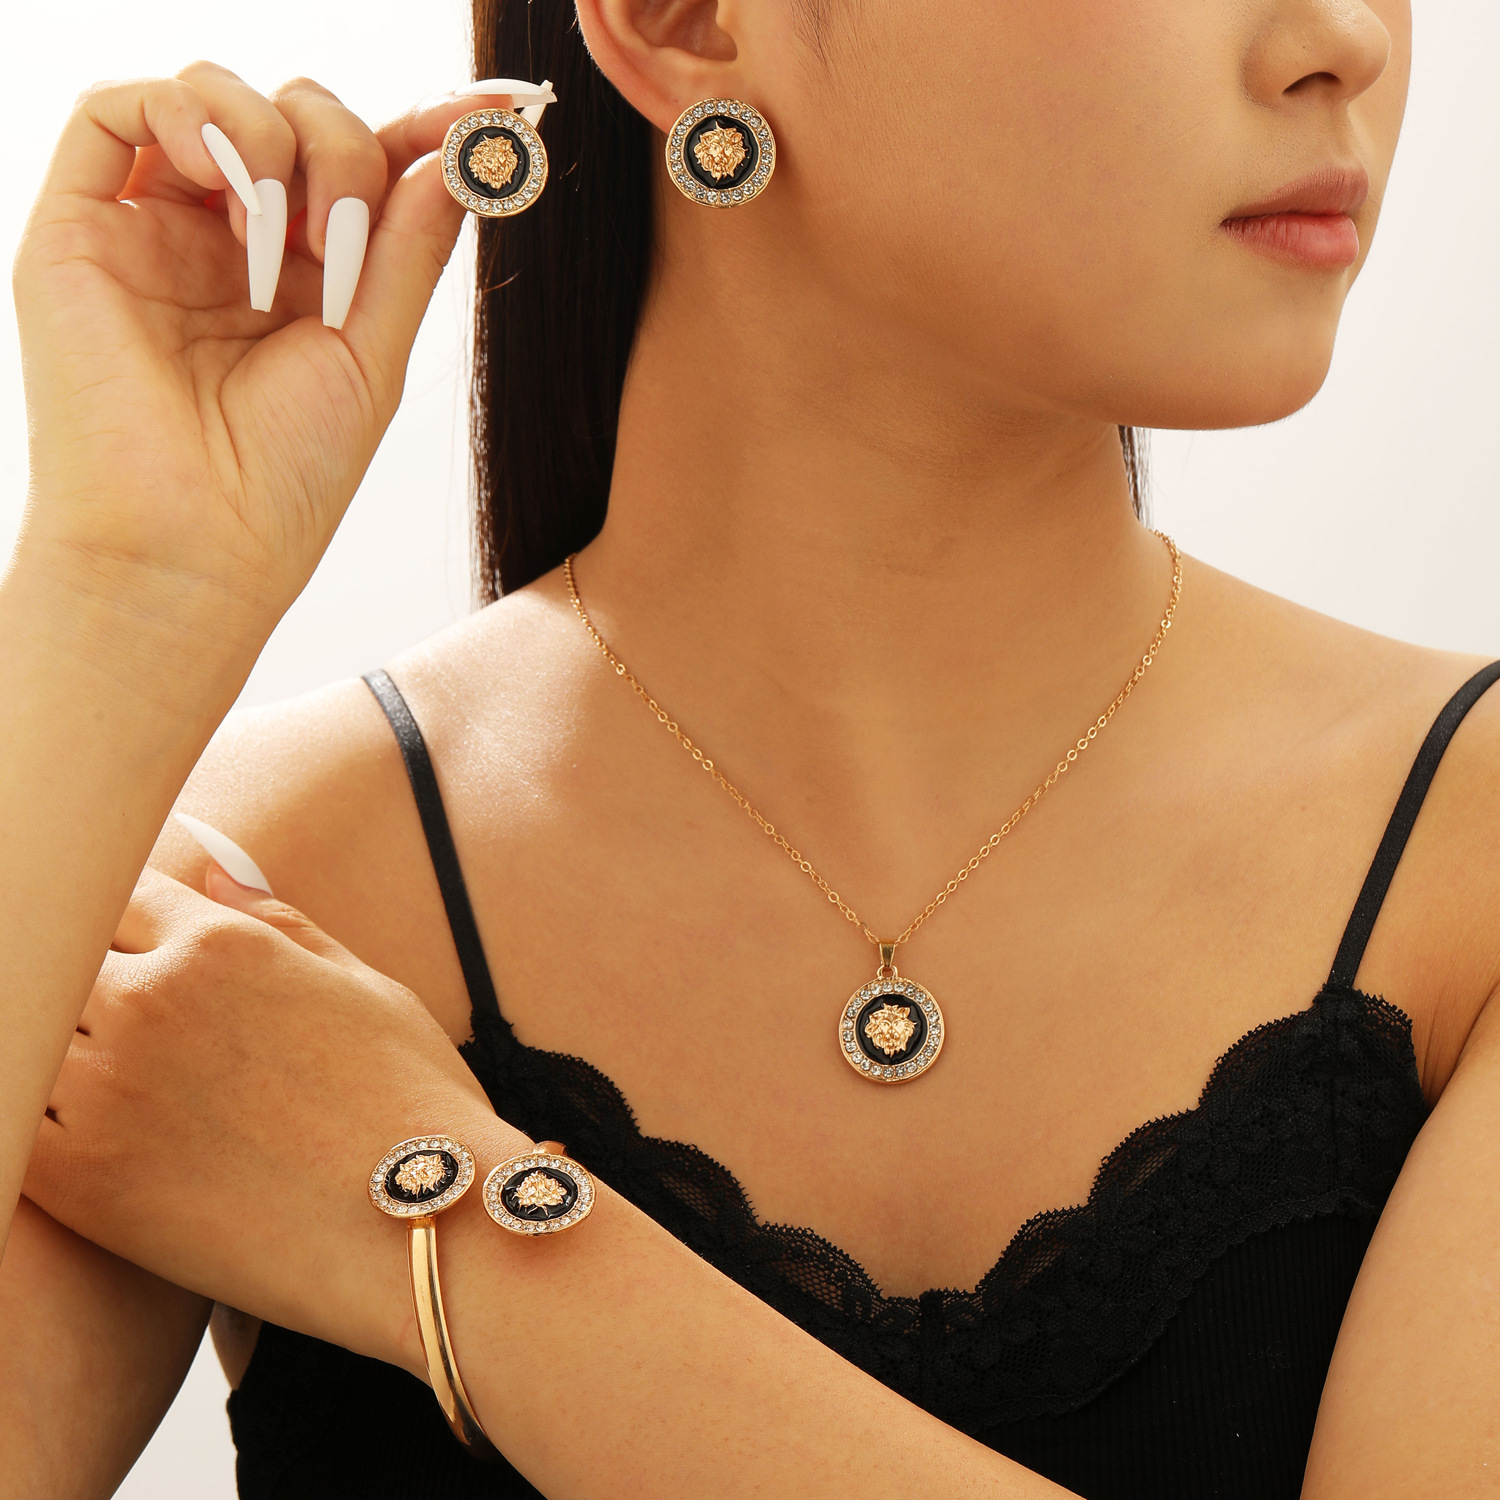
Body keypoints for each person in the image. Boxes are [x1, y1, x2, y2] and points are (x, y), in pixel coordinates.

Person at [3, 0, 1497, 1495]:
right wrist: (121, 592)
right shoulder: (219, 904)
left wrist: (432, 1206)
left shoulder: (1468, 854)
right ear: (686, 23)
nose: (1346, 39)